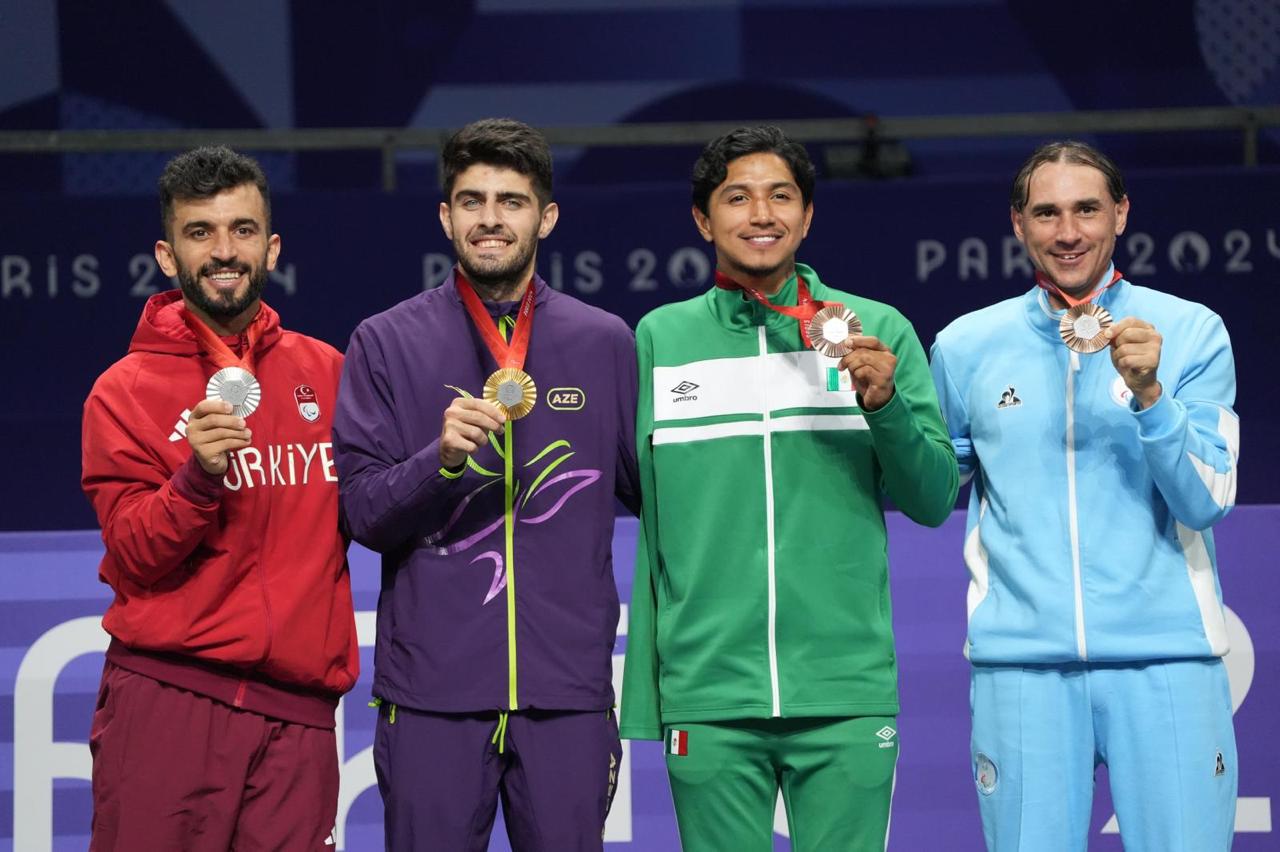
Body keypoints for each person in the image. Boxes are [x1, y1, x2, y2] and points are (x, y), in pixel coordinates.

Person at [620, 125, 959, 852]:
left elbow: (934, 499)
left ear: (807, 216)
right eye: (737, 198)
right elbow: (649, 525)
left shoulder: (878, 331)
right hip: (709, 693)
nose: (761, 214)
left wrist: (884, 407)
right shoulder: (659, 338)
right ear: (704, 221)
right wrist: (655, 691)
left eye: (781, 196)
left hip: (843, 690)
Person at [332, 118, 639, 851]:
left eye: (511, 200)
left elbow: (659, 496)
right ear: (445, 216)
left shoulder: (604, 343)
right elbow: (364, 513)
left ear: (546, 216)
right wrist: (437, 461)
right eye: (471, 201)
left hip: (566, 693)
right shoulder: (385, 341)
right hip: (433, 695)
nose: (491, 219)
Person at [929, 140, 1239, 851]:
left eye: (1087, 210)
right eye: (1047, 213)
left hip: (1167, 665)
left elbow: (1208, 499)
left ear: (1121, 213)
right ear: (1018, 224)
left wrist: (1152, 398)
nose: (1067, 232)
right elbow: (933, 483)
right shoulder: (966, 344)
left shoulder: (1191, 331)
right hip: (1023, 671)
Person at [80, 146, 359, 851]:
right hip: (170, 699)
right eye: (200, 232)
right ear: (167, 257)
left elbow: (372, 505)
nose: (223, 251)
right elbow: (135, 554)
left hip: (297, 715)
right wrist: (195, 478)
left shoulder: (327, 372)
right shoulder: (124, 392)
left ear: (271, 247)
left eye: (241, 230)